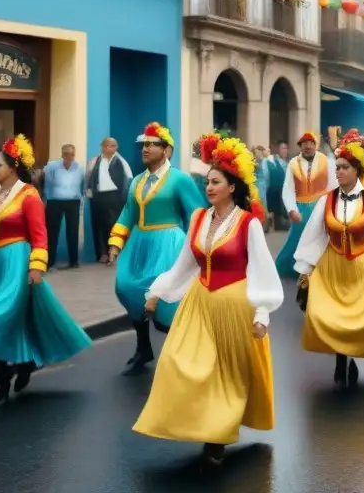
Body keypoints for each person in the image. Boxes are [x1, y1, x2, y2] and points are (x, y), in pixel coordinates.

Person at [133, 133, 283, 467]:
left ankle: (217, 435)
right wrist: (157, 293)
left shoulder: (248, 224)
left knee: (225, 375)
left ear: (232, 186)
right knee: (179, 363)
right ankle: (194, 424)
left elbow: (262, 270)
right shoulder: (200, 218)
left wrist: (261, 313)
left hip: (234, 306)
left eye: (216, 182)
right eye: (207, 181)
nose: (209, 187)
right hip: (200, 301)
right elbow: (185, 262)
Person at [0, 135, 91, 406]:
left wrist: (37, 266)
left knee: (1, 318)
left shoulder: (29, 195)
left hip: (16, 263)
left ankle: (15, 368)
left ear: (12, 168)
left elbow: (40, 235)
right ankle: (7, 369)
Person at [292, 140, 364, 388]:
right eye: (338, 168)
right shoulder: (326, 201)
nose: (340, 172)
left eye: (345, 167)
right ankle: (340, 359)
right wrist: (306, 270)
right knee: (331, 315)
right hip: (334, 267)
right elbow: (315, 236)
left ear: (357, 170)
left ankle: (352, 355)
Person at [107, 122, 206, 375]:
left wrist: (196, 246)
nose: (145, 148)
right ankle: (143, 347)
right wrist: (116, 242)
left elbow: (196, 213)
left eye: (152, 144)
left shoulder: (180, 179)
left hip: (168, 244)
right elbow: (128, 212)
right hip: (139, 245)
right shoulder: (137, 181)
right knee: (127, 288)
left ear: (167, 151)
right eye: (144, 145)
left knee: (165, 296)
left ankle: (182, 351)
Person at [276, 131, 336, 278]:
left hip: (320, 206)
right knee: (297, 238)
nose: (308, 146)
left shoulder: (327, 161)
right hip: (301, 207)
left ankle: (319, 269)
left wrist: (330, 206)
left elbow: (333, 186)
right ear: (300, 146)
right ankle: (294, 269)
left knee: (320, 238)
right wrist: (292, 209)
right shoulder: (293, 163)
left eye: (311, 143)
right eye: (304, 144)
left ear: (316, 145)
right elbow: (288, 189)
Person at [85, 138, 132, 264]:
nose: (112, 148)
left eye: (114, 146)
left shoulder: (120, 162)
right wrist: (88, 190)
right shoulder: (95, 161)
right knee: (98, 226)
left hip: (115, 198)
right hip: (98, 198)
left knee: (114, 225)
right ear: (103, 147)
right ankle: (102, 253)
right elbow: (88, 177)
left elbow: (128, 178)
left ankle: (115, 252)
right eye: (109, 145)